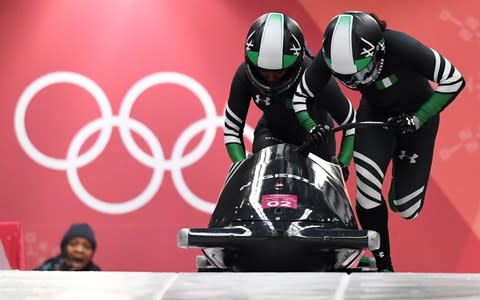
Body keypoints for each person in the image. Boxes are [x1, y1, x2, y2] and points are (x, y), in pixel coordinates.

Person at [292, 11, 466, 271]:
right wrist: (312, 126)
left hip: (418, 119)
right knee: (367, 187)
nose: (357, 81)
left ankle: (399, 186)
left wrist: (417, 119)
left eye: (363, 72)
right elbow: (300, 97)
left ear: (379, 51)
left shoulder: (403, 47)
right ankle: (384, 264)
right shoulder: (328, 59)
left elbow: (453, 79)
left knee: (408, 209)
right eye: (347, 78)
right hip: (376, 118)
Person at [223, 12, 357, 180]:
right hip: (271, 134)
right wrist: (241, 167)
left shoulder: (315, 76)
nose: (270, 79)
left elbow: (350, 122)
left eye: (278, 72)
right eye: (263, 71)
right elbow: (232, 128)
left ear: (295, 64)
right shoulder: (244, 75)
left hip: (316, 141)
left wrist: (342, 164)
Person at [35, 223, 101, 271]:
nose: (79, 250)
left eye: (87, 246)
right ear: (64, 248)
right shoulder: (47, 268)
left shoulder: (99, 278)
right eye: (73, 244)